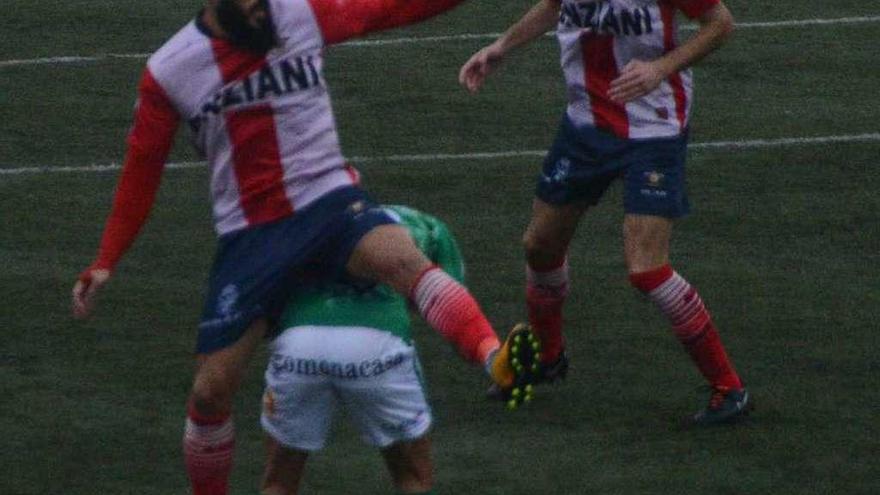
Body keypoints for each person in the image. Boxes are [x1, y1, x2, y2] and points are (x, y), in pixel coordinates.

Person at [70, 1, 538, 493]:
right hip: (251, 236)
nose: (263, 15)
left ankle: (495, 358)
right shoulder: (170, 70)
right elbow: (142, 168)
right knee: (210, 393)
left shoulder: (299, 11)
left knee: (403, 259)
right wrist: (106, 259)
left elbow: (392, 7)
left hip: (328, 200)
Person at [459, 0, 751, 425]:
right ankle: (548, 356)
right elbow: (555, 5)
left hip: (653, 130)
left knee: (647, 269)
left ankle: (729, 387)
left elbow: (719, 24)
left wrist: (660, 68)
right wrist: (502, 46)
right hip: (585, 125)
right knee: (540, 246)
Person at [259, 205, 540, 495]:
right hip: (378, 345)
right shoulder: (427, 227)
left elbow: (262, 301)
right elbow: (451, 315)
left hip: (299, 344)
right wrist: (486, 354)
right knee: (413, 481)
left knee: (279, 483)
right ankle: (495, 360)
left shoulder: (300, 221)